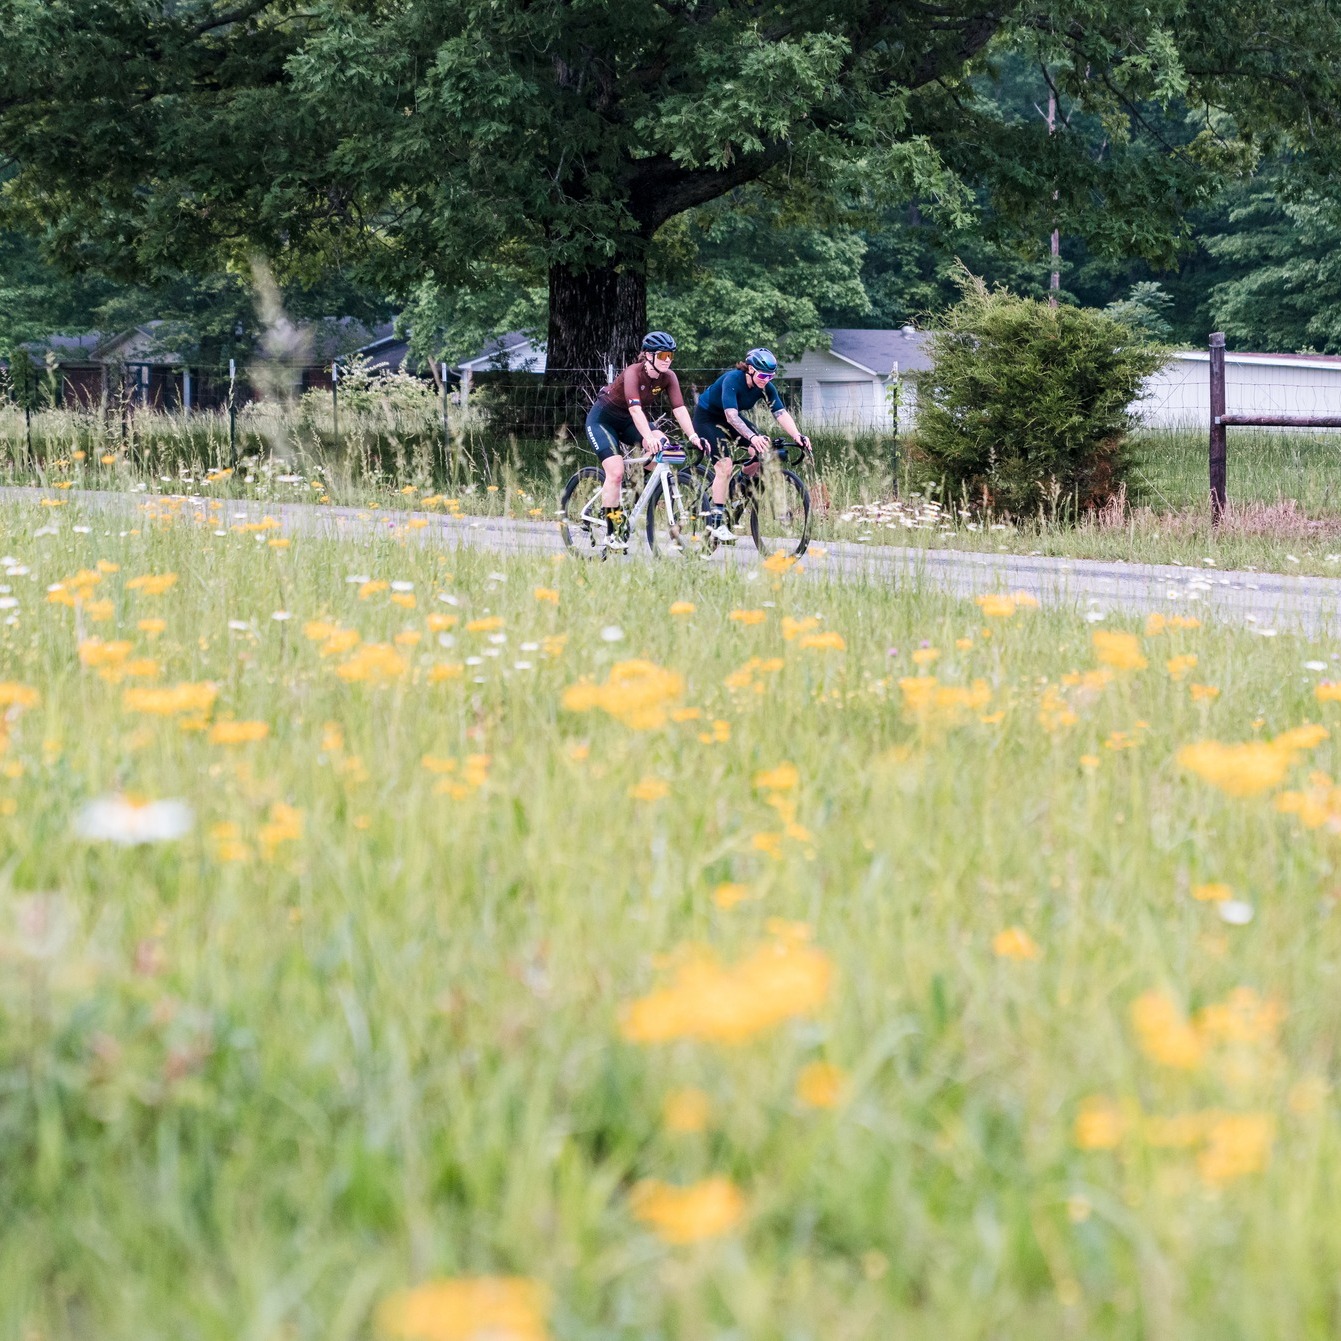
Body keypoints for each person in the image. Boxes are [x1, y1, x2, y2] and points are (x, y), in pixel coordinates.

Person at [585, 332, 703, 550]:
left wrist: (694, 436)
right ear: (649, 355)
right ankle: (611, 533)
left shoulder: (669, 377)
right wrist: (648, 437)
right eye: (663, 355)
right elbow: (636, 410)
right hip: (603, 421)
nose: (668, 359)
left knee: (663, 446)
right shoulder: (633, 373)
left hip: (629, 422)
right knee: (616, 471)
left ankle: (632, 491)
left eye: (671, 355)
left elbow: (679, 409)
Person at [692, 348, 810, 542]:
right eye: (763, 375)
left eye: (771, 376)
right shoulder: (733, 380)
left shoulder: (766, 386)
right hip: (708, 419)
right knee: (724, 465)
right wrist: (752, 437)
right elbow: (730, 416)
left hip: (733, 418)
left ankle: (738, 487)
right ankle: (716, 522)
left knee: (762, 450)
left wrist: (797, 435)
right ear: (750, 369)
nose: (766, 379)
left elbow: (780, 413)